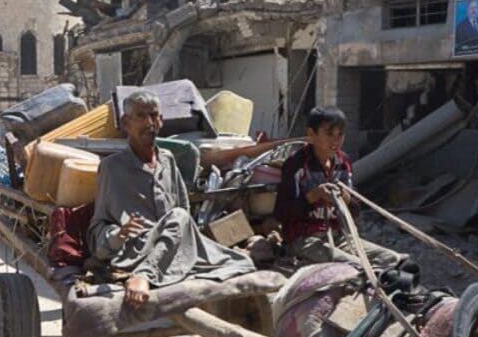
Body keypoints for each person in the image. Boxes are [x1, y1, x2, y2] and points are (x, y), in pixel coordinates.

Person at [87, 90, 255, 308]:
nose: (149, 123)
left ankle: (164, 270)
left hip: (176, 250)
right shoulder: (112, 168)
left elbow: (184, 220)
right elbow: (97, 229)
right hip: (136, 253)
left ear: (161, 120)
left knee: (243, 262)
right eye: (141, 116)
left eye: (154, 115)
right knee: (179, 216)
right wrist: (119, 234)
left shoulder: (168, 161)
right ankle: (144, 276)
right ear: (126, 123)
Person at [274, 106, 404, 269]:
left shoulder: (343, 163)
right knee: (356, 265)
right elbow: (281, 213)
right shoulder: (296, 165)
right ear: (312, 135)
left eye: (340, 134)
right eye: (329, 134)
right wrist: (313, 196)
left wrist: (346, 198)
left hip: (338, 237)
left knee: (391, 258)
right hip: (304, 239)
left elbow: (355, 210)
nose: (336, 140)